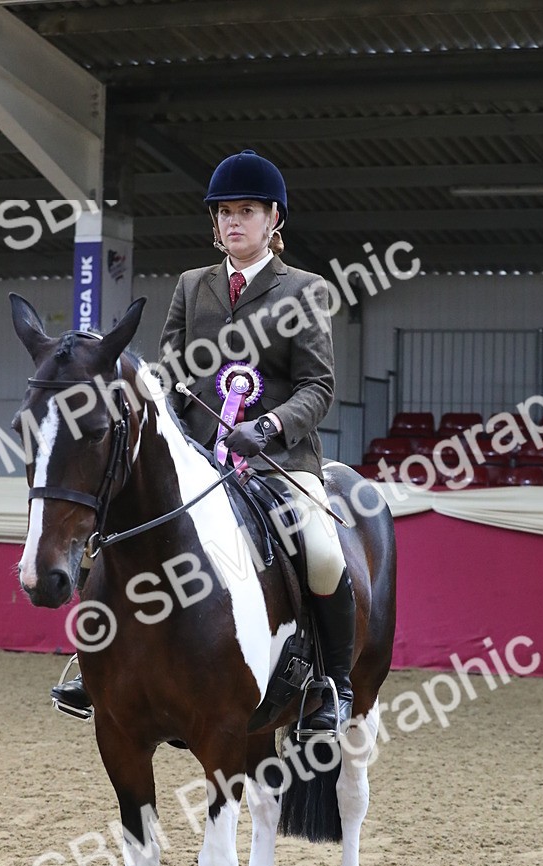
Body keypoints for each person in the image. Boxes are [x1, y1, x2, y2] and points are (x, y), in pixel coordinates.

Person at [52, 149, 355, 733]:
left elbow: (319, 386)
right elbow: (168, 374)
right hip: (198, 462)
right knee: (120, 532)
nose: (233, 222)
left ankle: (331, 684)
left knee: (322, 550)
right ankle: (95, 665)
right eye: (224, 212)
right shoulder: (192, 287)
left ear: (274, 220)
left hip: (276, 461)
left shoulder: (305, 290)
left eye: (247, 211)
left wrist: (265, 428)